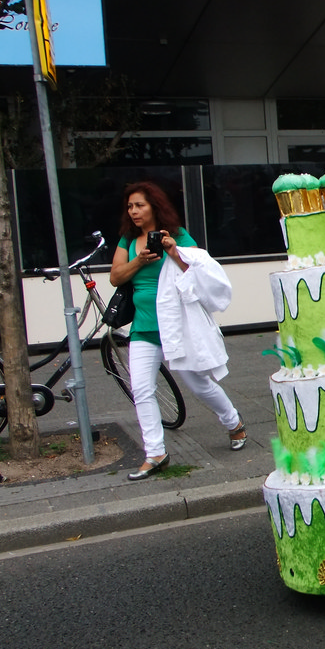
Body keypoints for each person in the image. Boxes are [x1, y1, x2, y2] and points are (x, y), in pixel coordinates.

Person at [110, 181, 246, 480]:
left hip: (177, 327)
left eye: (140, 205)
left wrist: (173, 251)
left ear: (154, 206)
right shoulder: (128, 240)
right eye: (130, 206)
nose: (133, 211)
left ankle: (233, 422)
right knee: (142, 390)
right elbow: (116, 277)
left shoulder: (177, 234)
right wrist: (139, 260)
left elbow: (200, 273)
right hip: (144, 329)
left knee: (199, 385)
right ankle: (155, 453)